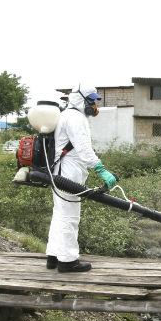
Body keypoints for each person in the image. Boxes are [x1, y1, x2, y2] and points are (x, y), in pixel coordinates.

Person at [45, 84, 117, 272]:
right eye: (91, 100)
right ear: (79, 99)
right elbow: (85, 150)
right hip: (68, 174)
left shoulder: (65, 115)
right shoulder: (76, 118)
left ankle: (53, 257)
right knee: (69, 217)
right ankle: (68, 261)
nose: (94, 105)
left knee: (59, 215)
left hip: (60, 172)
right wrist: (102, 171)